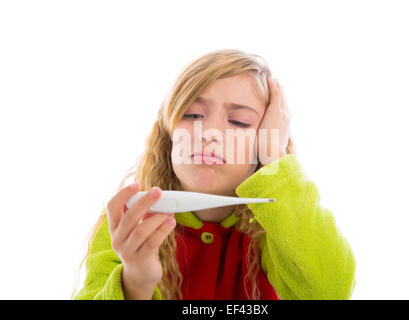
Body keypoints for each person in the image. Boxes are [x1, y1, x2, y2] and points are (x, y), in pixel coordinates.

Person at [72, 49, 356, 300]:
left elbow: (329, 293)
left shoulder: (278, 225)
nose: (209, 133)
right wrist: (135, 283)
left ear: (265, 140)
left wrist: (276, 161)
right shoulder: (129, 222)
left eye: (239, 122)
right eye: (193, 115)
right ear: (169, 137)